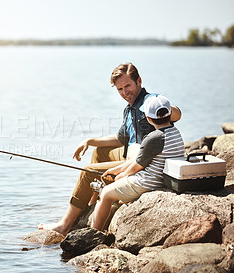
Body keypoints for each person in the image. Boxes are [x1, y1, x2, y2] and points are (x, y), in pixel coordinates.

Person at [38, 63, 182, 236]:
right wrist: (90, 141)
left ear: (139, 81)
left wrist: (164, 108)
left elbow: (176, 115)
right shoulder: (128, 110)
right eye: (120, 89)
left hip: (141, 163)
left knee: (88, 171)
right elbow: (120, 139)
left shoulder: (150, 101)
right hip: (128, 155)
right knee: (99, 151)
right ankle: (92, 205)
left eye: (128, 86)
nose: (124, 92)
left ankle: (64, 225)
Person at [91, 95, 185, 230]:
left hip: (148, 182)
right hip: (163, 178)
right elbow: (139, 159)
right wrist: (116, 170)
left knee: (105, 193)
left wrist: (122, 176)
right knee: (119, 177)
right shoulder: (175, 132)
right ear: (169, 114)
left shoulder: (154, 138)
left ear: (148, 118)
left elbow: (136, 166)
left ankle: (94, 231)